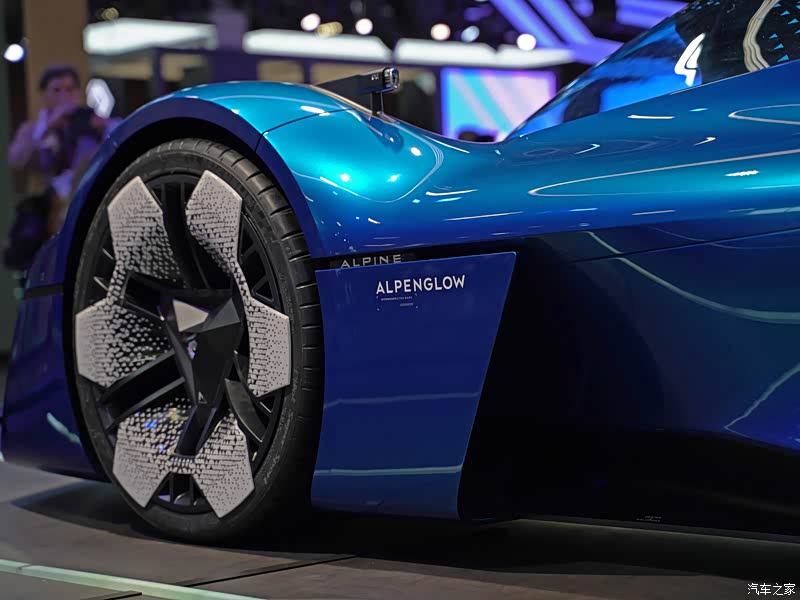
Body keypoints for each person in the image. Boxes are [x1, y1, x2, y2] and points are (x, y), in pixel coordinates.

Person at [6, 64, 112, 273]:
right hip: (46, 213)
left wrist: (103, 130)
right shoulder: (32, 129)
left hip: (83, 206)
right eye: (56, 90)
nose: (64, 95)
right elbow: (17, 160)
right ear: (44, 94)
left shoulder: (90, 123)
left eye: (70, 89)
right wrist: (48, 129)